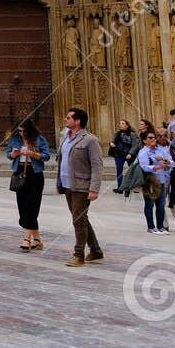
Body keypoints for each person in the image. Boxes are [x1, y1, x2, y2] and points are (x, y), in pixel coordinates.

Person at [54, 106, 105, 266]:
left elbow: (97, 165)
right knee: (80, 218)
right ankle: (96, 251)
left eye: (68, 117)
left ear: (77, 121)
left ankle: (79, 255)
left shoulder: (90, 140)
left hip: (81, 186)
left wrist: (94, 189)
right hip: (67, 185)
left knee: (78, 220)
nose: (65, 119)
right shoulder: (65, 137)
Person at [5, 117, 50, 253]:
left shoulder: (39, 139)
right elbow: (8, 154)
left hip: (34, 173)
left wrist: (32, 153)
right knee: (23, 206)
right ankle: (37, 240)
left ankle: (27, 239)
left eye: (24, 131)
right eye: (19, 131)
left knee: (32, 206)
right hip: (19, 172)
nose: (21, 134)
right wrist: (13, 154)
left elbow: (46, 156)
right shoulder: (15, 139)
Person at [138, 129, 174, 235]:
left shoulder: (160, 150)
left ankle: (160, 226)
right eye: (150, 138)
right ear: (144, 141)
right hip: (150, 181)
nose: (153, 139)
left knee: (161, 205)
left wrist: (165, 161)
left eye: (154, 137)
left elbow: (171, 162)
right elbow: (144, 167)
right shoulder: (143, 152)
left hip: (162, 180)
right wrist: (158, 166)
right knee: (149, 204)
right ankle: (151, 227)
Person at [109, 120, 138, 192]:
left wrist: (130, 153)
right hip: (119, 154)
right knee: (119, 170)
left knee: (132, 171)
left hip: (129, 155)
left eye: (123, 123)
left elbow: (135, 145)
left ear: (127, 125)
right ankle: (120, 188)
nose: (120, 125)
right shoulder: (117, 133)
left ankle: (132, 187)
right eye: (120, 123)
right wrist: (111, 143)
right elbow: (112, 141)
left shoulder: (132, 134)